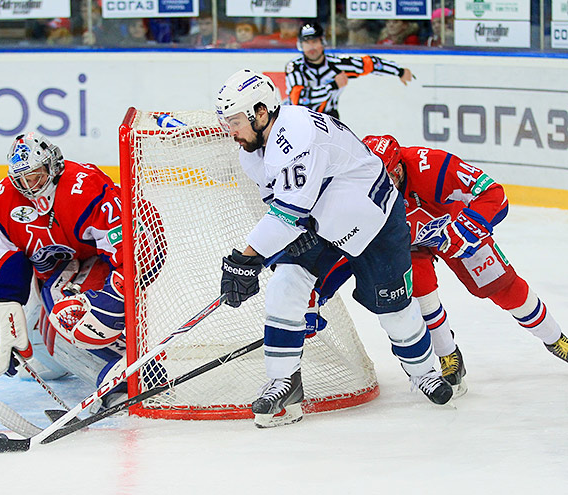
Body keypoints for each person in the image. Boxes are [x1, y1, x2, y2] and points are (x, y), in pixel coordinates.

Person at [215, 69, 453, 428]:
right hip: (321, 224)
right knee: (285, 286)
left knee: (394, 309)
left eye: (234, 121)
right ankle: (284, 383)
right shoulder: (253, 153)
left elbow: (288, 213)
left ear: (261, 112)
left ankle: (423, 373)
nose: (230, 131)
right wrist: (258, 255)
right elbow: (282, 206)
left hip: (375, 221)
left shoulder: (296, 134)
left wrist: (245, 260)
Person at [361, 135, 568, 392]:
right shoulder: (355, 181)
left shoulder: (432, 166)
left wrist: (468, 229)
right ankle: (448, 354)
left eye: (388, 177)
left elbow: (494, 194)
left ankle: (555, 338)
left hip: (455, 229)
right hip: (407, 241)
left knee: (504, 287)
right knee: (421, 294)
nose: (381, 186)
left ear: (399, 168)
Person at [0, 132, 133, 407]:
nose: (30, 186)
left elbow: (129, 248)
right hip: (51, 277)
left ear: (53, 165)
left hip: (102, 267)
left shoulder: (85, 187)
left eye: (36, 176)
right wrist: (3, 313)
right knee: (39, 351)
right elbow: (1, 263)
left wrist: (115, 294)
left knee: (67, 320)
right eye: (22, 180)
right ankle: (77, 356)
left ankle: (122, 376)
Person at [285, 22, 413, 119]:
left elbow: (370, 64)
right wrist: (333, 85)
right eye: (306, 43)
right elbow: (300, 100)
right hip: (299, 119)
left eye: (314, 41)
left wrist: (399, 71)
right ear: (301, 45)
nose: (311, 47)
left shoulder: (338, 64)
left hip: (328, 119)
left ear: (322, 41)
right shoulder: (295, 67)